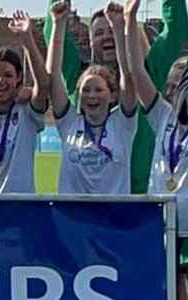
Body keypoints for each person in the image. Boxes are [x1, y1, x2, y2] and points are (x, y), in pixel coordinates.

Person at [43, 0, 188, 194]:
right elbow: (53, 39)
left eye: (111, 30)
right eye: (98, 33)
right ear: (89, 42)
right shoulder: (79, 78)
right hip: (81, 205)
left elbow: (176, 29)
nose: (107, 37)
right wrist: (58, 8)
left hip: (139, 198)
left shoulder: (148, 74)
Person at [135, 1, 188, 297]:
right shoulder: (161, 114)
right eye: (172, 85)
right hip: (162, 220)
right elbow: (136, 74)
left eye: (181, 84)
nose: (176, 90)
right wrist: (126, 23)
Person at [48, 1, 137, 194]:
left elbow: (128, 75)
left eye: (98, 89)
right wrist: (58, 25)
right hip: (73, 220)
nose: (91, 95)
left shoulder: (123, 124)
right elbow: (53, 75)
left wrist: (119, 29)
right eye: (86, 90)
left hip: (114, 221)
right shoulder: (69, 123)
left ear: (113, 94)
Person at [0, 11, 49, 193]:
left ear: (19, 77)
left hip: (18, 207)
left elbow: (43, 84)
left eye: (8, 75)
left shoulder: (28, 111)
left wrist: (27, 40)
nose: (0, 81)